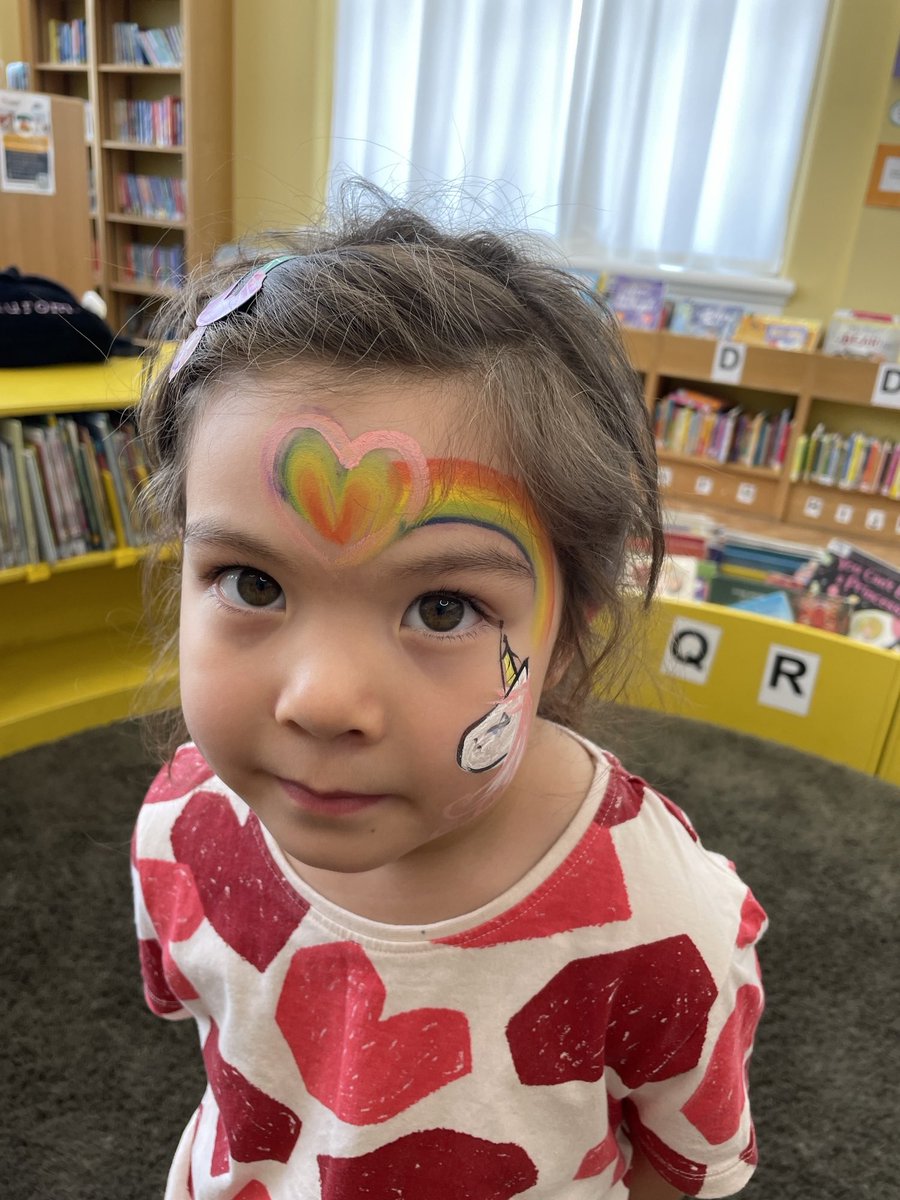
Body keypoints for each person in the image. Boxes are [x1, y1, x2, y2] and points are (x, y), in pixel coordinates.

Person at [131, 189, 767, 1200]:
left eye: (441, 608)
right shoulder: (183, 824)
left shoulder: (659, 919)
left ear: (569, 635)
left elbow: (683, 1166)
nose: (322, 700)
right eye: (253, 585)